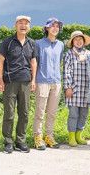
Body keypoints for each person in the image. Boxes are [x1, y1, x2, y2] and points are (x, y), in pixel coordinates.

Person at [0, 15, 38, 153]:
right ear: (15, 25)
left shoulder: (32, 43)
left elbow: (33, 62)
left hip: (26, 82)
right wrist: (0, 80)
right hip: (10, 82)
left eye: (26, 23)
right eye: (20, 23)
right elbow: (0, 61)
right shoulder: (7, 42)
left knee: (24, 113)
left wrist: (33, 80)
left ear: (29, 27)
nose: (23, 25)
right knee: (9, 113)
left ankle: (21, 141)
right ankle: (8, 141)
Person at [33, 17, 64, 150]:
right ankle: (37, 136)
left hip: (56, 82)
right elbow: (35, 62)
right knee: (40, 111)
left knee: (52, 112)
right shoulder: (38, 43)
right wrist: (33, 80)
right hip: (42, 81)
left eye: (57, 26)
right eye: (52, 26)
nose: (55, 28)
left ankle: (49, 136)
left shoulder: (61, 44)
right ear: (46, 28)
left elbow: (59, 61)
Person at [63, 30, 90, 147]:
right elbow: (67, 71)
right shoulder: (69, 54)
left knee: (84, 114)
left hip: (86, 89)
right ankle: (71, 136)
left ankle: (79, 135)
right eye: (76, 39)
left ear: (84, 41)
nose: (79, 41)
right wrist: (68, 87)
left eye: (81, 39)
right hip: (74, 89)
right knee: (73, 114)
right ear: (72, 42)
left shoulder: (89, 54)